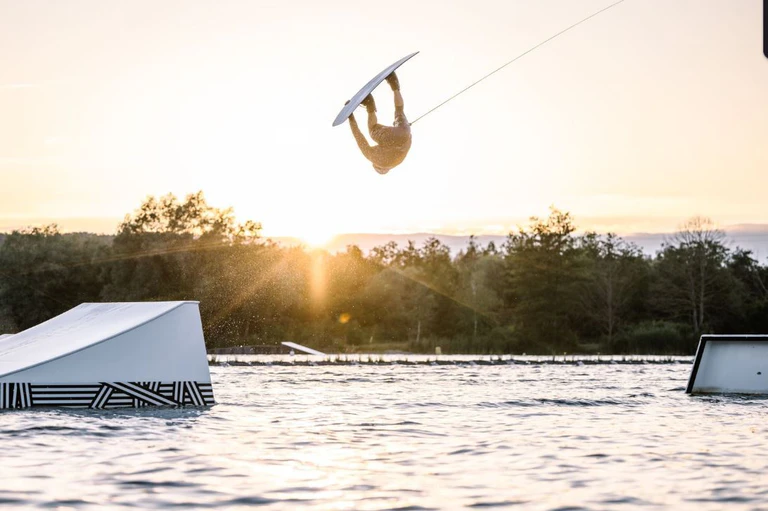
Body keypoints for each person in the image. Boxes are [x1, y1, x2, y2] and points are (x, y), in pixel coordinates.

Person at [347, 72, 412, 174]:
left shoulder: (399, 160)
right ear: (375, 165)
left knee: (399, 111)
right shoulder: (373, 157)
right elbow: (358, 136)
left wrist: (402, 127)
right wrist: (350, 117)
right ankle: (370, 104)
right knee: (372, 129)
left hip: (404, 133)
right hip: (392, 137)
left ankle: (394, 84)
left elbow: (408, 139)